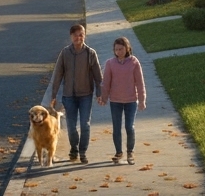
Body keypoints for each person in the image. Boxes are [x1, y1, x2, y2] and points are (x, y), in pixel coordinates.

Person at [49, 22, 102, 164]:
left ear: (84, 36)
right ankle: (74, 148)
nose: (79, 38)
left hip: (85, 95)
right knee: (71, 127)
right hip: (69, 96)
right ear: (71, 36)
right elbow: (58, 75)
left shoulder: (90, 53)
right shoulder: (65, 53)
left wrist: (100, 92)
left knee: (85, 124)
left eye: (81, 35)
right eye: (76, 35)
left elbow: (98, 76)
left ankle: (83, 151)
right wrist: (53, 95)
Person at [97, 36, 147, 164]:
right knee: (116, 127)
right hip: (116, 101)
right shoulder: (110, 63)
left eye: (121, 49)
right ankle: (118, 152)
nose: (118, 52)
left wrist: (142, 100)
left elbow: (140, 83)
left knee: (129, 127)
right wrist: (104, 98)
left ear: (127, 48)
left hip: (131, 100)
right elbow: (106, 82)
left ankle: (130, 152)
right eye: (116, 49)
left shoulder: (134, 62)